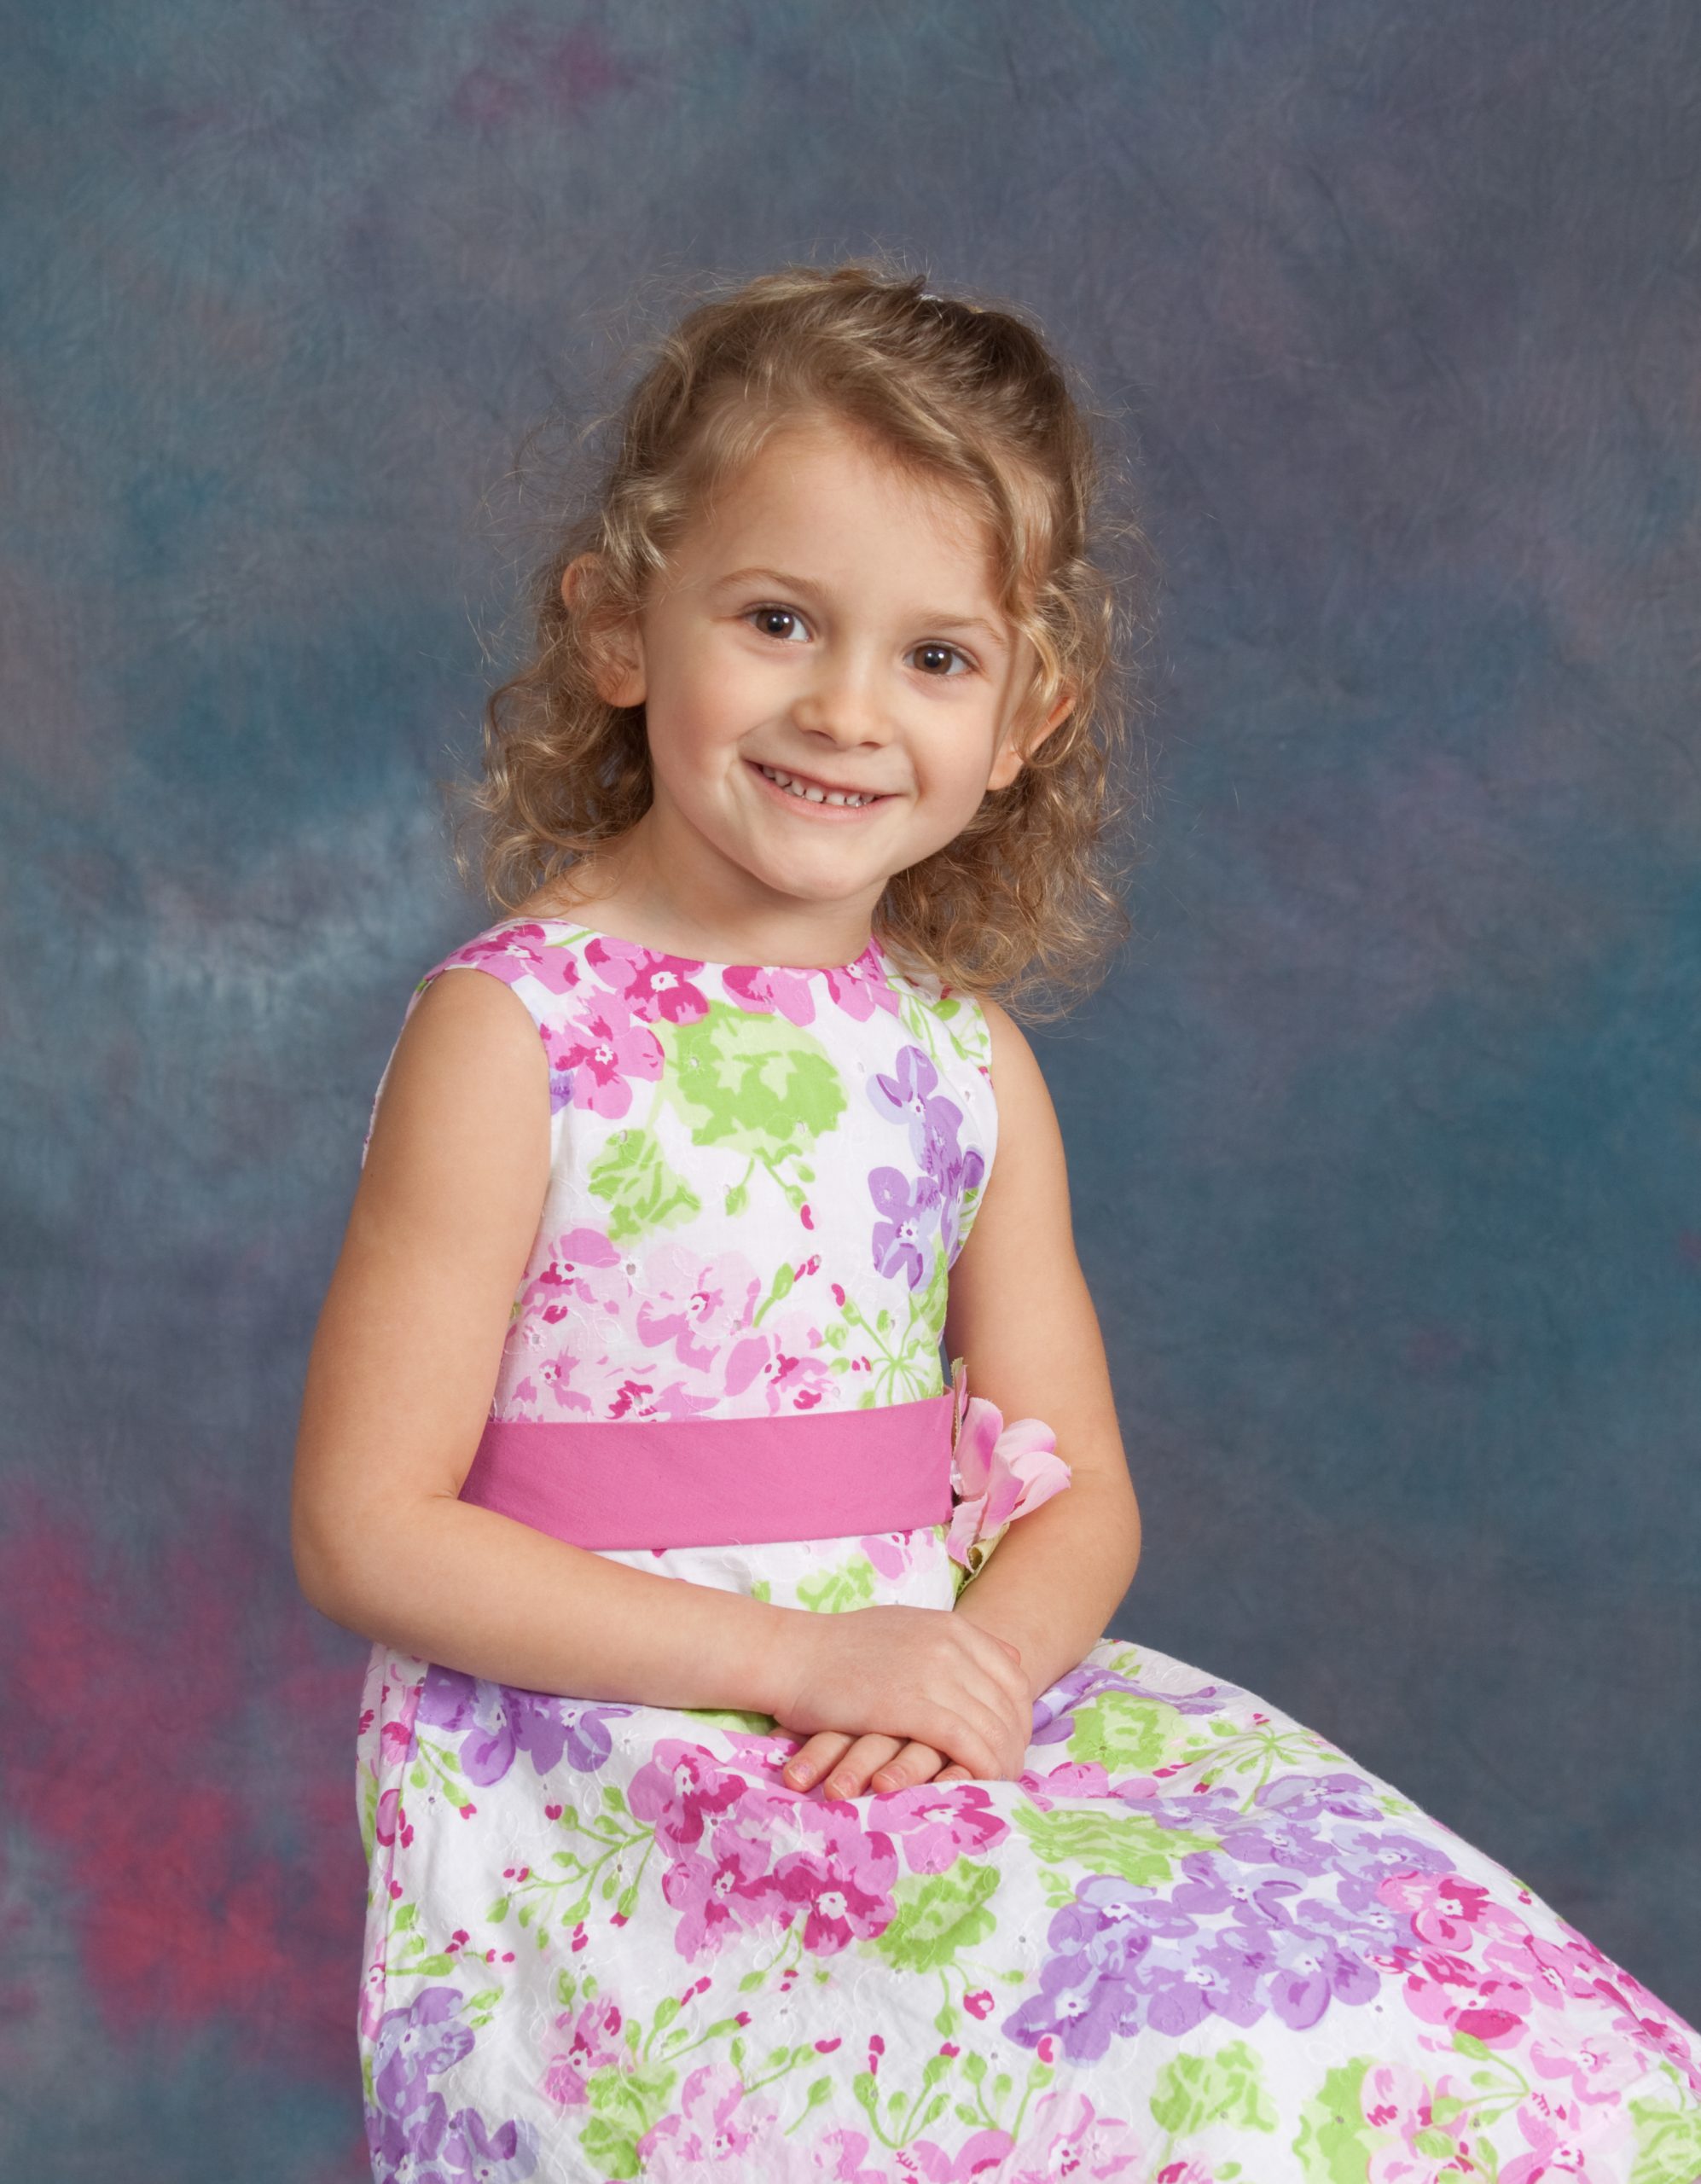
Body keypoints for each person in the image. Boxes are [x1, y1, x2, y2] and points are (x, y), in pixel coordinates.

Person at [291, 262, 1701, 2184]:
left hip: (927, 1726)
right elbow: (368, 1525)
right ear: (623, 628)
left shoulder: (962, 1064)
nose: (845, 708)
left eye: (933, 657)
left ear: (1027, 711)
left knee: (1452, 2026)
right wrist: (806, 1665)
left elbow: (1080, 1491)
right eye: (778, 618)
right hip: (625, 1768)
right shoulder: (516, 1033)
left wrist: (970, 1675)